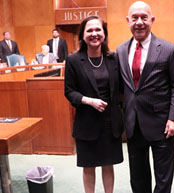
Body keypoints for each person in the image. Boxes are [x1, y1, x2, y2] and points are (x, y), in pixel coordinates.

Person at [116, 1, 174, 193]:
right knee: (138, 178)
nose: (139, 22)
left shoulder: (168, 49)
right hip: (133, 124)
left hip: (162, 124)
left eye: (144, 17)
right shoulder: (121, 50)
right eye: (134, 18)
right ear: (127, 21)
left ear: (152, 20)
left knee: (163, 178)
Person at [64, 16, 123, 193]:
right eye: (89, 30)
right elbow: (69, 91)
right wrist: (89, 101)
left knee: (108, 164)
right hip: (87, 121)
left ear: (104, 34)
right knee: (89, 167)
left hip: (110, 122)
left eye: (98, 30)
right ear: (82, 35)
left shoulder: (114, 59)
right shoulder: (73, 60)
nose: (94, 34)